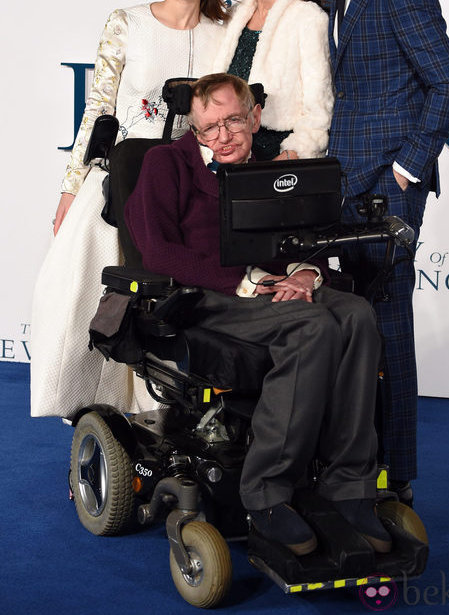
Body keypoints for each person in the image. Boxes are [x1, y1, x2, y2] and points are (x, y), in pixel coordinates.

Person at [124, 72, 391, 556]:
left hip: (269, 291)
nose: (222, 136)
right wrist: (251, 281)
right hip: (204, 299)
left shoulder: (269, 174)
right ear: (194, 128)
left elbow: (297, 246)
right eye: (209, 127)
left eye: (232, 121)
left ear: (255, 117)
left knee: (354, 314)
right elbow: (158, 253)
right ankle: (266, 493)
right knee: (312, 326)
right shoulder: (166, 164)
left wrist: (306, 276)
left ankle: (349, 484)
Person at [302, 0, 449, 500]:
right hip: (336, 183)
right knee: (343, 319)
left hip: (387, 188)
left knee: (388, 317)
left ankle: (396, 478)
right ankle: (345, 461)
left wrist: (410, 163)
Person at [31, 0, 227, 419]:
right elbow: (98, 109)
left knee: (171, 300)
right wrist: (71, 188)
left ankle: (162, 413)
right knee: (89, 296)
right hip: (120, 178)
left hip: (189, 188)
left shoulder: (225, 33)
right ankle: (94, 416)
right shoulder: (128, 22)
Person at [212, 0, 334, 161]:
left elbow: (319, 112)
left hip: (277, 157)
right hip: (226, 150)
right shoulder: (233, 17)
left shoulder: (310, 20)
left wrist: (290, 156)